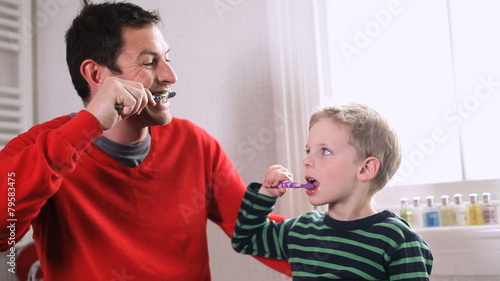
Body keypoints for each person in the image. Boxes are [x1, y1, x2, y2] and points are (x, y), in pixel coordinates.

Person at [0, 1, 291, 280]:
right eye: (149, 62)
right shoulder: (40, 147)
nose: (170, 75)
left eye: (167, 58)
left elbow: (254, 231)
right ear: (96, 74)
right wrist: (88, 126)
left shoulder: (196, 144)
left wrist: (332, 236)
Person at [232, 103, 434, 280]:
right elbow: (245, 240)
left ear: (365, 169)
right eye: (308, 150)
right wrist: (266, 195)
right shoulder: (301, 231)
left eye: (325, 151)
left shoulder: (398, 241)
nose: (307, 160)